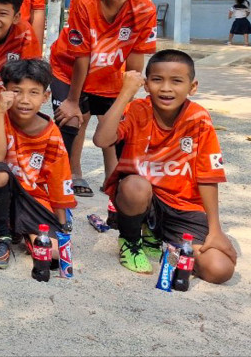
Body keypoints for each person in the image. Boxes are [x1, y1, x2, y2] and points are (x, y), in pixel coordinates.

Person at [93, 51, 236, 283]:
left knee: (219, 270)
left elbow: (208, 176)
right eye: (157, 80)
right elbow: (102, 139)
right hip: (142, 199)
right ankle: (131, 240)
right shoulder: (137, 110)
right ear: (146, 85)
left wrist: (215, 229)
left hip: (182, 207)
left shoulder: (199, 118)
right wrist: (125, 94)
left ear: (192, 87)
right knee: (135, 186)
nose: (166, 88)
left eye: (176, 81)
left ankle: (162, 238)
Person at [50, 0, 156, 201]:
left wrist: (128, 98)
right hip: (68, 70)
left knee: (119, 127)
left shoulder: (144, 10)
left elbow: (136, 56)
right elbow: (81, 57)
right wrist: (73, 101)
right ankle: (65, 180)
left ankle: (115, 181)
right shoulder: (84, 4)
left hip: (108, 76)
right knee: (70, 120)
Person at [0, 59, 75, 269]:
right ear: (4, 92)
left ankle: (23, 231)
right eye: (16, 91)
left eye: (33, 93)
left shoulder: (51, 132)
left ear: (45, 97)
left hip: (31, 197)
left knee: (54, 254)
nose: (24, 100)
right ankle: (2, 237)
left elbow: (59, 179)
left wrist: (61, 226)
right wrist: (0, 112)